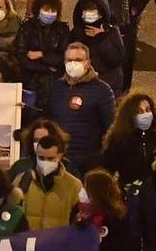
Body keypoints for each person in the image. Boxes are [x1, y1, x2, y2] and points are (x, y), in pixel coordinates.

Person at [48, 42, 115, 174]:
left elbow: (110, 129)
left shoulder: (102, 90)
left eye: (78, 60)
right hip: (61, 161)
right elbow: (48, 117)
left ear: (88, 63)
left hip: (88, 164)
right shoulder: (57, 87)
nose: (73, 63)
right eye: (69, 60)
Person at [12, 122, 85, 230]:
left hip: (58, 244)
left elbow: (84, 214)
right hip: (28, 244)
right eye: (41, 158)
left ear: (59, 156)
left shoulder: (74, 184)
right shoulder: (20, 178)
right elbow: (8, 212)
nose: (45, 162)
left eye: (50, 159)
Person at [101, 91, 156, 189]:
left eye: (148, 110)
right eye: (140, 111)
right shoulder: (118, 139)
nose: (145, 114)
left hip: (155, 192)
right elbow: (106, 170)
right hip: (127, 192)